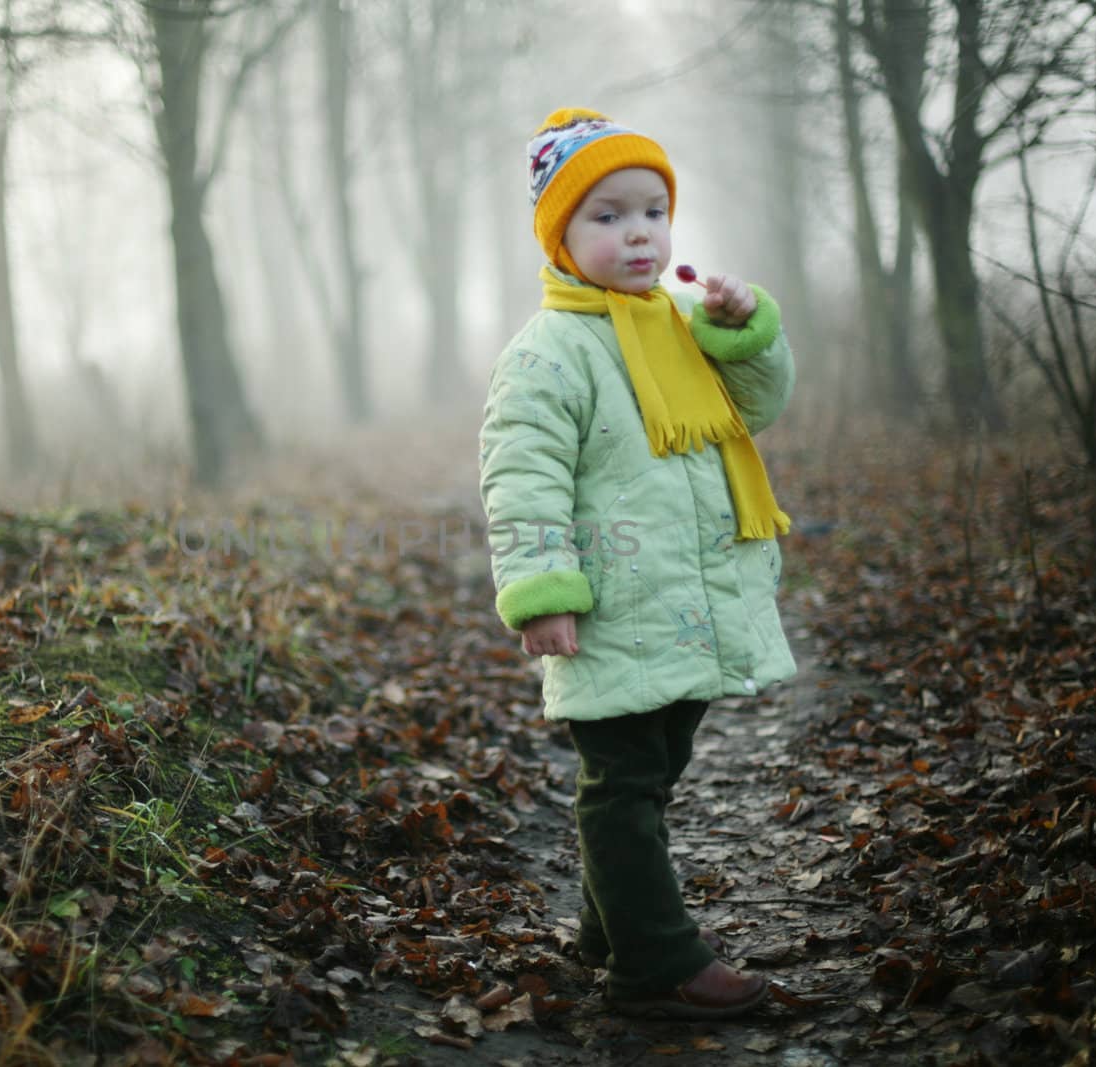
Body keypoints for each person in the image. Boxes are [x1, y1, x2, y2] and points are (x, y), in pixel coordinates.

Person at [478, 108, 796, 1020]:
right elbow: (522, 478)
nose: (638, 234)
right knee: (621, 787)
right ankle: (655, 964)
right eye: (608, 216)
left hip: (684, 603)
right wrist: (542, 591)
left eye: (653, 212)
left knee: (654, 773)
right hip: (614, 603)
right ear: (561, 236)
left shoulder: (678, 324)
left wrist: (745, 332)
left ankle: (607, 926)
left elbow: (754, 409)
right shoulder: (548, 353)